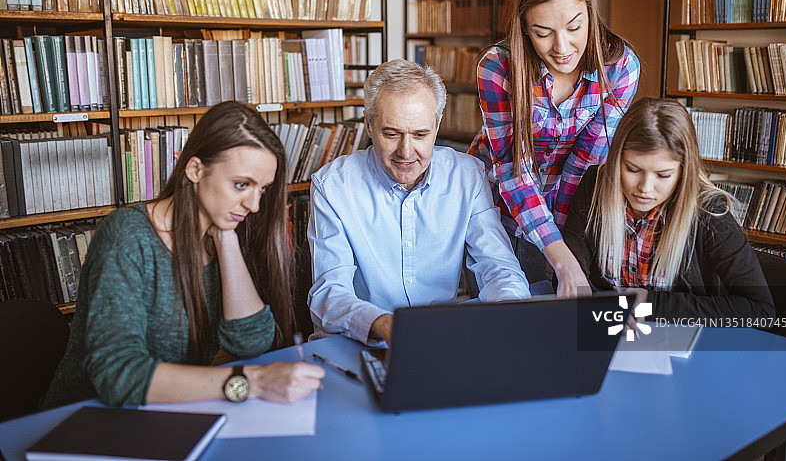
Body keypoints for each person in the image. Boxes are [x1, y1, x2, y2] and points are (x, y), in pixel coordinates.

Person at [42, 101, 324, 409]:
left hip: (167, 413)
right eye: (241, 185)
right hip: (85, 420)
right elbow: (117, 376)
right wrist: (248, 382)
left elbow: (251, 343)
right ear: (195, 169)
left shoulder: (220, 229)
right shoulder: (127, 235)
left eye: (262, 189)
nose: (254, 206)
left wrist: (225, 237)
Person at [307, 59, 531, 345]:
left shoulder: (468, 175)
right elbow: (329, 293)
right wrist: (384, 324)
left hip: (440, 340)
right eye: (391, 134)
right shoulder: (333, 186)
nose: (406, 151)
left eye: (421, 134)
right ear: (368, 124)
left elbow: (498, 267)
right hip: (358, 344)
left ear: (437, 125)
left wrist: (507, 313)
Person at [468, 0, 640, 297]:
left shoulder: (620, 68)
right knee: (497, 323)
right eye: (543, 33)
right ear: (524, 28)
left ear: (590, 13)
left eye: (574, 27)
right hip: (496, 209)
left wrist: (563, 244)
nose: (562, 48)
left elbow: (585, 164)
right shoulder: (497, 68)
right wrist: (556, 250)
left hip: (568, 208)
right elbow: (513, 170)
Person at [563, 97, 775, 321]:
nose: (645, 188)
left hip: (680, 340)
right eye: (632, 169)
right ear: (616, 160)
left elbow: (760, 310)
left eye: (663, 175)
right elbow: (569, 275)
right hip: (605, 328)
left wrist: (649, 305)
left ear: (684, 171)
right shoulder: (593, 186)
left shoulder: (709, 212)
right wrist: (601, 312)